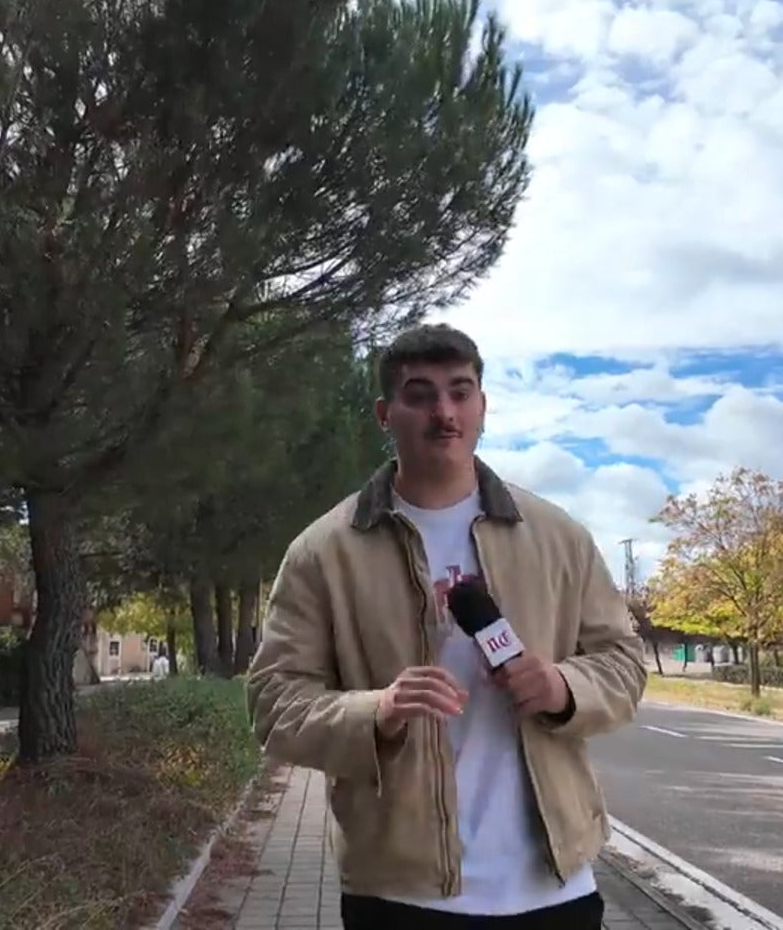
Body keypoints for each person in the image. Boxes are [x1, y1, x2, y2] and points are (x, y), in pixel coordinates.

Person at [246, 324, 647, 929]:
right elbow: (274, 703)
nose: (444, 412)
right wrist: (375, 712)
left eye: (461, 392)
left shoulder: (558, 536)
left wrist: (564, 688)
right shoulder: (322, 552)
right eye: (420, 394)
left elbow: (623, 660)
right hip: (400, 897)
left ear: (483, 405)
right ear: (385, 413)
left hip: (555, 891)